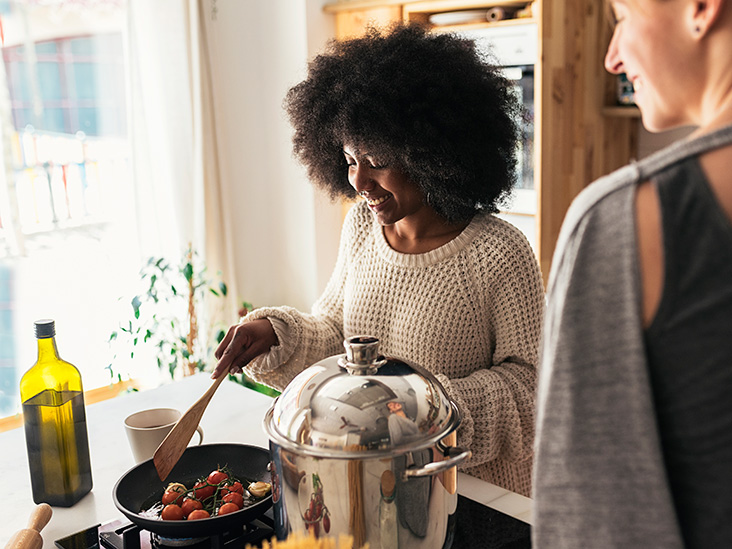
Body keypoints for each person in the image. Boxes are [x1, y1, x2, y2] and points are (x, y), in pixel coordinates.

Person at [213, 22, 545, 497]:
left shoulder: (499, 253)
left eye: (377, 159)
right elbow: (335, 333)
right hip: (375, 486)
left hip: (470, 495)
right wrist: (276, 335)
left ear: (432, 152)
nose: (359, 182)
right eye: (350, 159)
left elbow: (529, 390)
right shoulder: (362, 228)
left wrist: (421, 405)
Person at [533, 0, 732, 547]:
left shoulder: (628, 220)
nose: (612, 58)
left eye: (622, 15)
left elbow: (590, 525)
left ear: (700, 8)